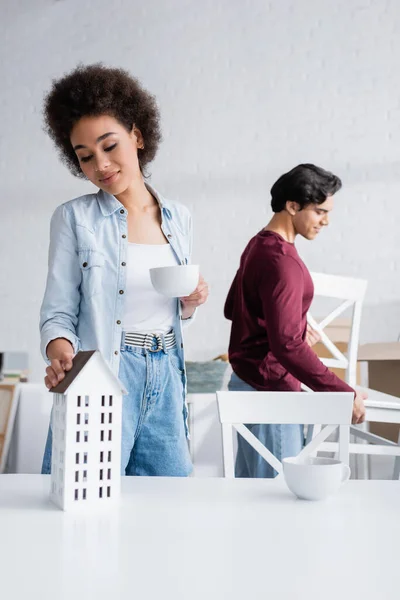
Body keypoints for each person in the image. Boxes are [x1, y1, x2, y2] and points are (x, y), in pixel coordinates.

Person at [40, 64, 208, 476]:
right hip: (103, 370)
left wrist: (189, 304)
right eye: (85, 156)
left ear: (136, 135)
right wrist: (61, 353)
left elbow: (168, 309)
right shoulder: (74, 219)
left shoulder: (178, 217)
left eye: (109, 145)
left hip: (167, 370)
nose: (101, 164)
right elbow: (58, 313)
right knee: (83, 496)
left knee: (169, 507)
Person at [224, 163, 366, 478]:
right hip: (270, 392)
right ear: (292, 206)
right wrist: (344, 392)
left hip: (247, 384)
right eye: (319, 211)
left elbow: (233, 308)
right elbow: (287, 345)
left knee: (252, 500)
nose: (326, 221)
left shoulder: (257, 245)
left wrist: (292, 327)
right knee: (279, 505)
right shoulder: (283, 261)